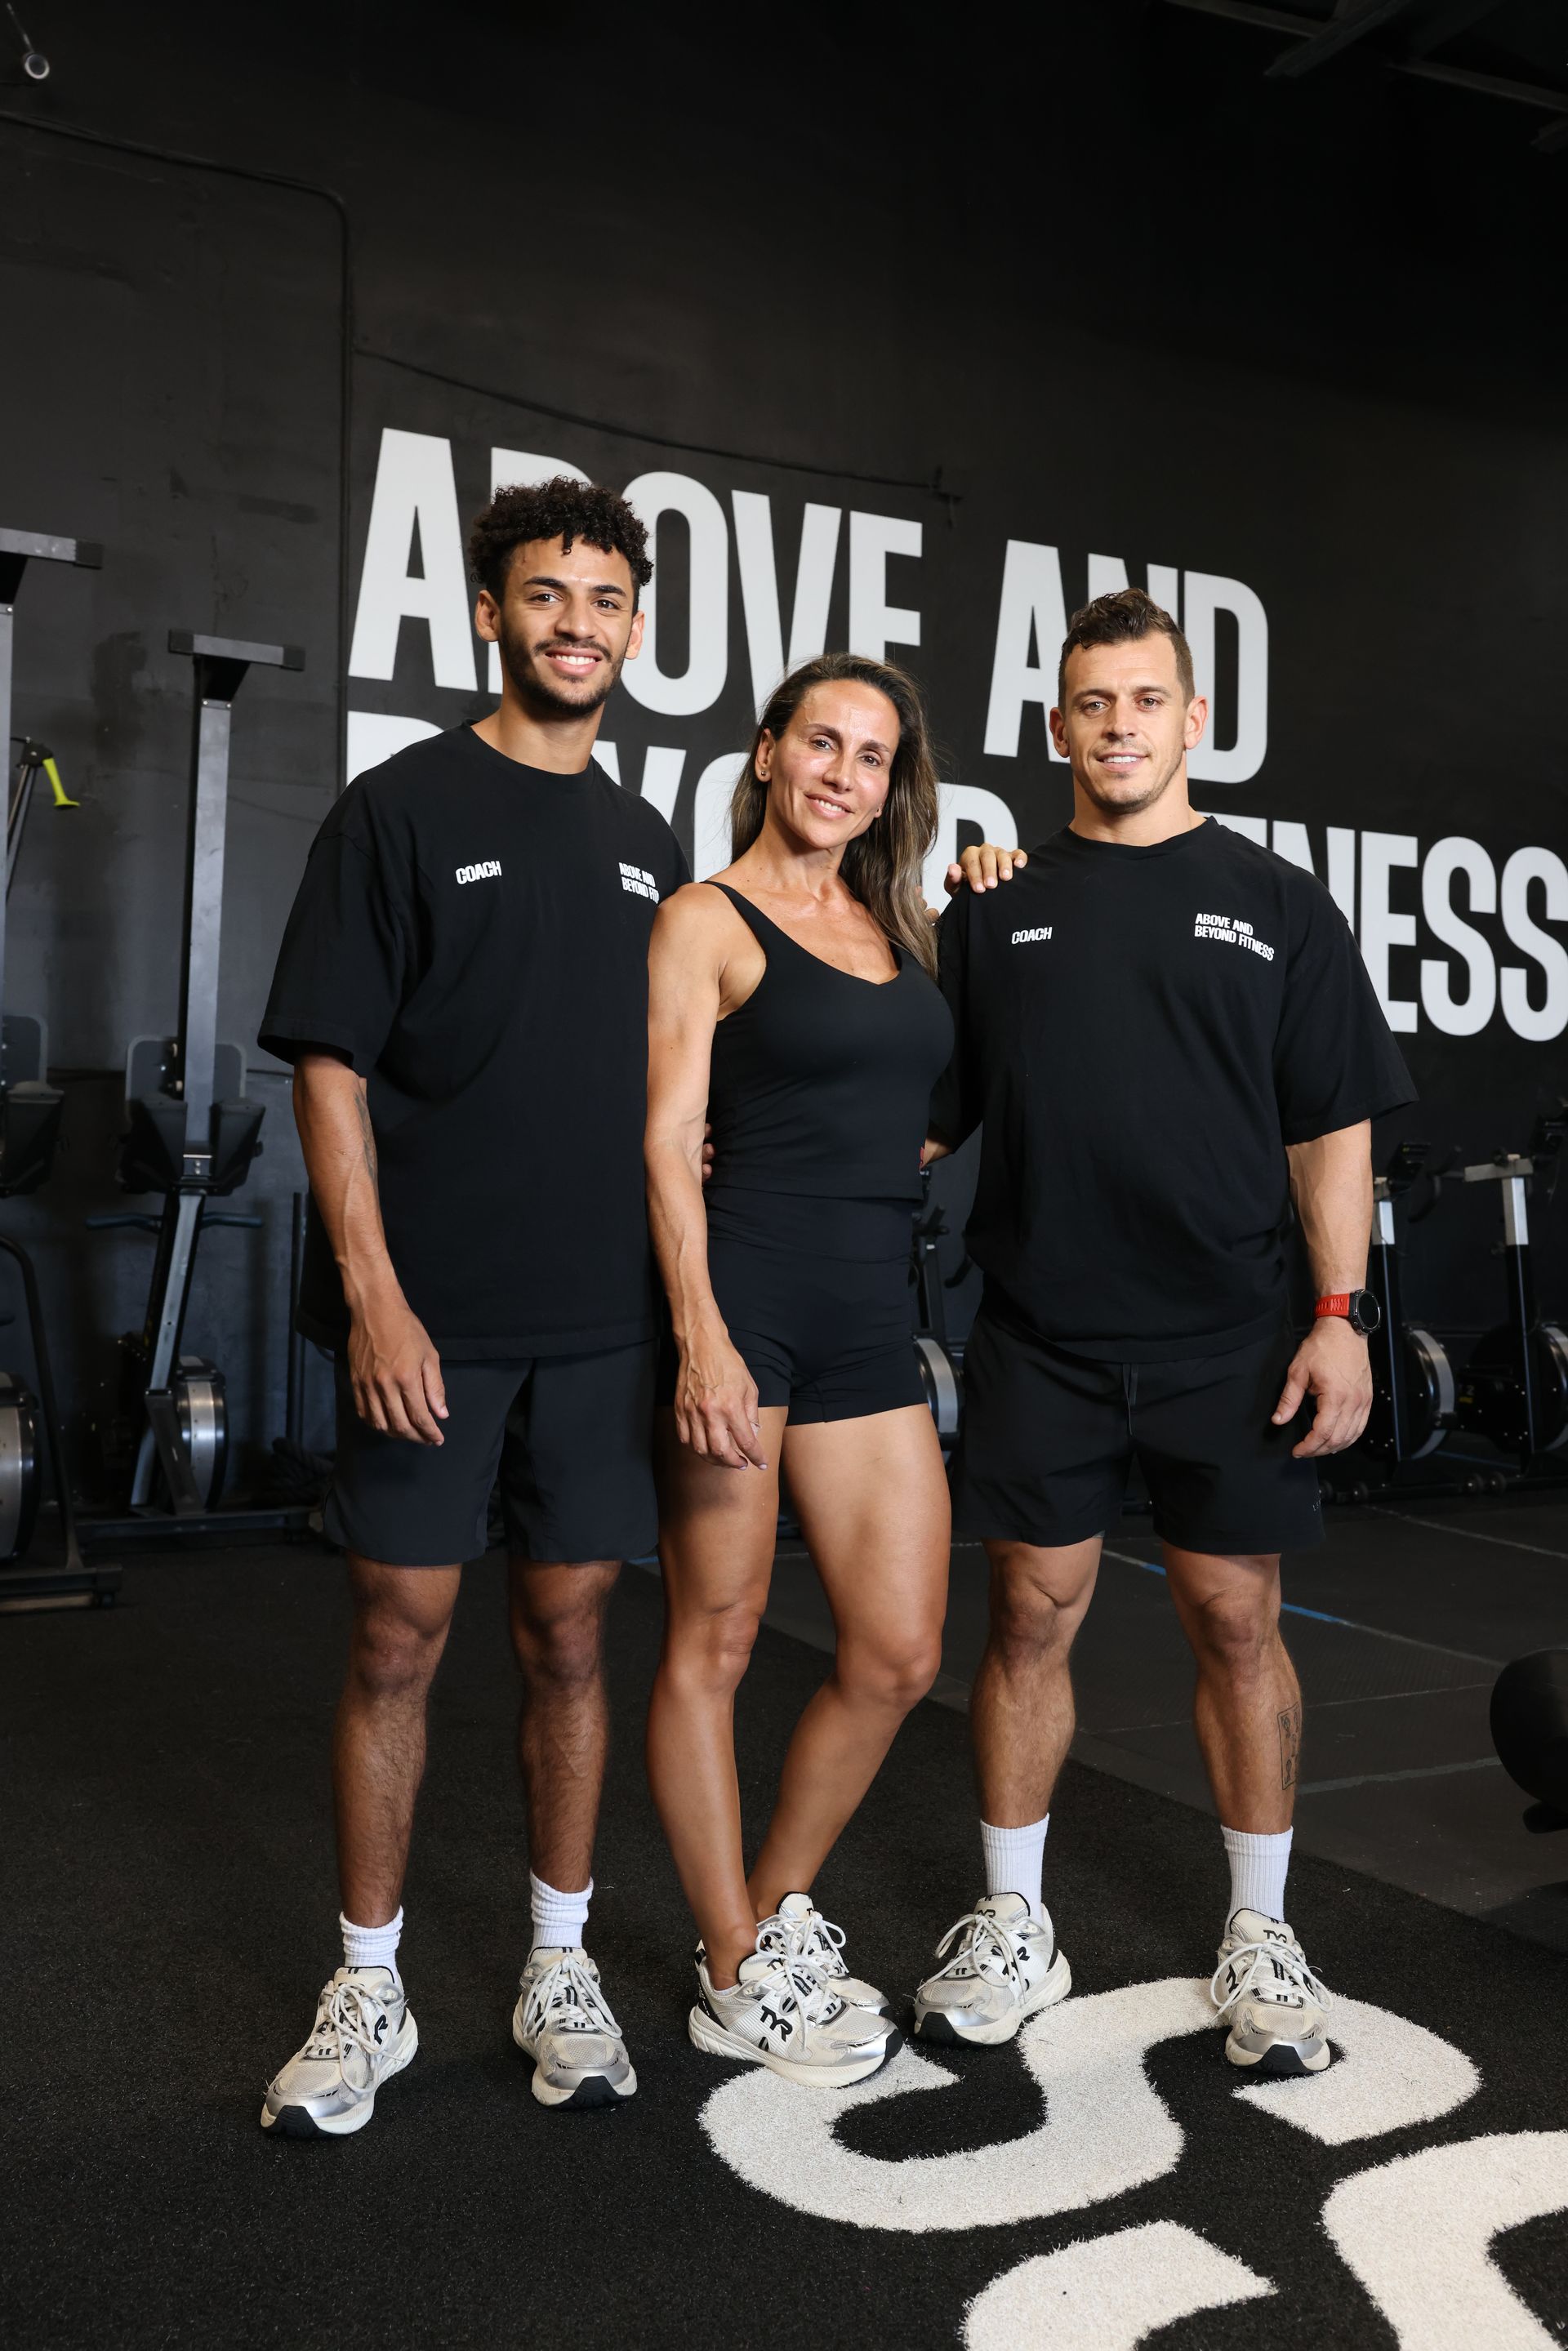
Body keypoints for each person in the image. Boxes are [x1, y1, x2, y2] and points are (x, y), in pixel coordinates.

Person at [919, 587, 1413, 2076]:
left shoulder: (1278, 905)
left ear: (1195, 721)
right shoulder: (995, 911)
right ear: (1057, 723)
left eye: (1145, 701)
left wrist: (1337, 1319)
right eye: (1092, 703)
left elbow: (1332, 1134)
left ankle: (1259, 1928)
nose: (1118, 726)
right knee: (1026, 1620)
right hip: (1045, 1336)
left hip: (1229, 1336)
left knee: (1238, 1623)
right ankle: (1017, 1921)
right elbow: (918, 1118)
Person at [255, 477, 688, 2135]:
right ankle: (368, 1983)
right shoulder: (400, 810)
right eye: (547, 596)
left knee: (573, 1637)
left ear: (634, 627)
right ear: (493, 614)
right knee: (396, 1636)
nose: (578, 624)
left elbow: (671, 1083)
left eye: (605, 599)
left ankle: (556, 1962)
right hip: (429, 1320)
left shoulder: (652, 847)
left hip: (602, 1328)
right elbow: (331, 1067)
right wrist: (374, 1296)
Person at [644, 652, 955, 2086]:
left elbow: (920, 1108)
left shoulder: (901, 928)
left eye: (872, 755)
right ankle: (727, 1964)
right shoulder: (706, 918)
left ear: (897, 782)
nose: (842, 772)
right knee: (713, 1642)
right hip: (750, 1311)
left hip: (868, 1323)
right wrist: (701, 1335)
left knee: (895, 1655)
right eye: (819, 743)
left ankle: (773, 1916)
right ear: (767, 754)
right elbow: (665, 1139)